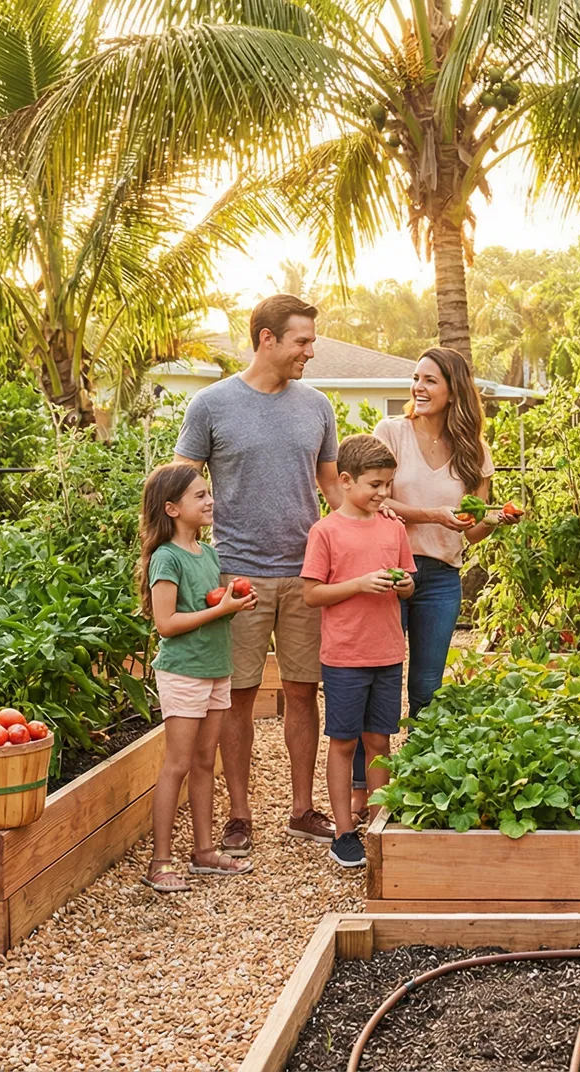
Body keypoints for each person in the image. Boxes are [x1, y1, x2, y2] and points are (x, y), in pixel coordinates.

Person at [175, 294, 343, 856]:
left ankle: (302, 808)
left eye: (311, 341)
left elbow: (332, 486)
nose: (310, 352)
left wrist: (367, 521)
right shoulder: (211, 405)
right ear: (266, 339)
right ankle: (240, 815)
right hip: (236, 576)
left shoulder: (316, 405)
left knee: (303, 691)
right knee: (237, 697)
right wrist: (183, 559)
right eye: (301, 341)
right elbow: (180, 488)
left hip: (306, 575)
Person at [361, 346, 507, 814]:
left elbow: (471, 527)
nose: (417, 388)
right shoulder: (391, 434)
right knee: (379, 679)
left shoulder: (474, 451)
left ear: (453, 392)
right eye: (416, 378)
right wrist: (434, 516)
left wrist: (494, 520)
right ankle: (366, 787)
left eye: (430, 381)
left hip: (442, 577)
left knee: (426, 686)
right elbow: (375, 502)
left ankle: (422, 779)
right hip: (390, 572)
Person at [136, 463, 256, 892]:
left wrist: (237, 601)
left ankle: (204, 852)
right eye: (200, 496)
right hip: (184, 672)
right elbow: (166, 623)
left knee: (207, 763)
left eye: (209, 494)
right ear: (171, 508)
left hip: (215, 669)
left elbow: (212, 607)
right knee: (178, 764)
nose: (210, 502)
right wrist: (222, 609)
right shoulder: (166, 558)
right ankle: (160, 861)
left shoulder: (207, 554)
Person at [299, 434, 416, 868]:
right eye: (374, 485)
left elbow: (409, 582)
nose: (383, 493)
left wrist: (405, 584)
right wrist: (360, 584)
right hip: (345, 656)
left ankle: (377, 823)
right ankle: (344, 831)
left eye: (388, 484)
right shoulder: (325, 531)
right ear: (345, 481)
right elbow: (312, 594)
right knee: (344, 741)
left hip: (387, 651)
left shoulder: (393, 527)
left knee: (379, 740)